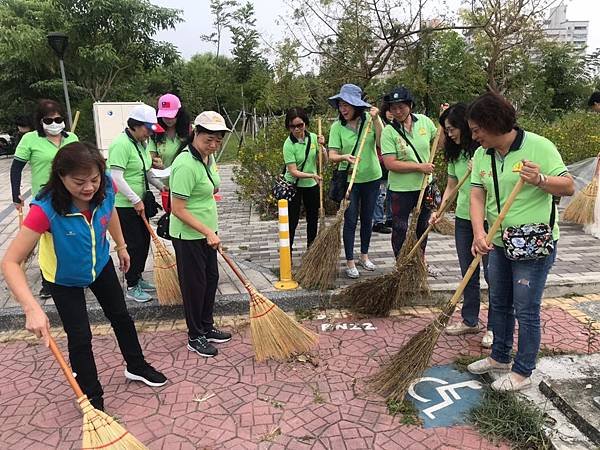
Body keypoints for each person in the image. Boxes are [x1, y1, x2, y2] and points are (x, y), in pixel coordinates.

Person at [1, 142, 167, 412]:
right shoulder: (45, 209)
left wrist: (121, 246)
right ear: (61, 177)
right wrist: (30, 308)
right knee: (80, 336)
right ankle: (92, 397)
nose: (88, 188)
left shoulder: (106, 188)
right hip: (63, 278)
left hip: (99, 265)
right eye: (79, 182)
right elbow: (10, 262)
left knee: (122, 317)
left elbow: (110, 210)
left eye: (94, 179)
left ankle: (136, 365)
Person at [466, 92, 574, 391]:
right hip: (497, 242)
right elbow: (477, 194)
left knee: (526, 307)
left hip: (532, 244)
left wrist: (540, 180)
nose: (474, 137)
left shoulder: (539, 146)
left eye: (477, 130)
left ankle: (523, 371)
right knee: (499, 302)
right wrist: (479, 233)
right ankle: (499, 356)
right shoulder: (482, 155)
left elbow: (568, 186)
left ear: (495, 123)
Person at [169, 111, 233, 358]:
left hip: (207, 233)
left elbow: (213, 185)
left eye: (218, 140)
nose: (213, 145)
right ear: (195, 133)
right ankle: (195, 336)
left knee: (210, 280)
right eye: (208, 139)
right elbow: (177, 209)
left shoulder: (208, 158)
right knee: (194, 286)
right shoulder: (185, 164)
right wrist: (207, 231)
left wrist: (210, 230)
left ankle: (206, 326)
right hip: (189, 236)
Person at [430, 103, 492, 347]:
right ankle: (470, 320)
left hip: (489, 221)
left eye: (451, 129)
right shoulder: (455, 154)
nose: (449, 134)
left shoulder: (485, 150)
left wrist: (478, 167)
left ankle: (496, 327)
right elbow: (451, 186)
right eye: (446, 130)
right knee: (469, 272)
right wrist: (440, 210)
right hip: (464, 220)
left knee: (493, 275)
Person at [10, 99, 79, 299]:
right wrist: (16, 194)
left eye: (58, 119)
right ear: (40, 121)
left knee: (71, 236)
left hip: (71, 195)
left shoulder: (71, 138)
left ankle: (74, 275)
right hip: (45, 199)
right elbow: (16, 169)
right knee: (48, 240)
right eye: (49, 120)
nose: (54, 124)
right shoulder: (30, 139)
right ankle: (48, 282)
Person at [107, 104, 166, 303]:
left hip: (139, 203)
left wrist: (160, 186)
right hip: (124, 206)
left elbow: (145, 170)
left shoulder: (141, 143)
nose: (149, 134)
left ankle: (138, 277)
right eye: (147, 129)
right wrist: (134, 199)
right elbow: (116, 177)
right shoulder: (121, 145)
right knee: (132, 244)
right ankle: (131, 285)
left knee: (144, 242)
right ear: (136, 125)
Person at [327, 84, 383, 279]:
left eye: (347, 104)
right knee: (350, 220)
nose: (343, 108)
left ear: (356, 105)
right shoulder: (337, 127)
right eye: (340, 104)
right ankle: (350, 261)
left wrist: (377, 119)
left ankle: (364, 256)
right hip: (350, 179)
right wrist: (344, 157)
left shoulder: (369, 121)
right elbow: (331, 155)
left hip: (372, 178)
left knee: (368, 219)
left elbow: (381, 143)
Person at [379, 87, 438, 269]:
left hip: (424, 187)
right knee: (400, 228)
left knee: (422, 227)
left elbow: (439, 142)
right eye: (393, 108)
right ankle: (401, 262)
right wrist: (419, 167)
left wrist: (445, 120)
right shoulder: (389, 132)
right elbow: (390, 163)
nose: (397, 111)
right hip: (400, 189)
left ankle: (420, 260)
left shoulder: (425, 122)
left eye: (401, 107)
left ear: (410, 105)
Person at [282, 107, 327, 249]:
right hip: (293, 185)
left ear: (305, 123)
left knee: (312, 219)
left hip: (311, 185)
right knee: (292, 221)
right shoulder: (288, 144)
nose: (296, 129)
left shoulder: (313, 137)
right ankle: (287, 253)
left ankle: (311, 249)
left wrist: (323, 148)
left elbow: (324, 161)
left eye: (299, 125)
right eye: (292, 126)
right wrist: (312, 175)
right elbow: (293, 171)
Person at [148, 93, 190, 170]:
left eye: (171, 116)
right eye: (165, 116)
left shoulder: (190, 132)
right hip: (162, 178)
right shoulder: (155, 134)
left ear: (179, 114)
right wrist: (155, 163)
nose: (168, 119)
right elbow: (151, 157)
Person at [372, 105, 393, 234]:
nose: (391, 113)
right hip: (381, 164)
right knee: (380, 195)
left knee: (391, 194)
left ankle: (390, 218)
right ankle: (378, 221)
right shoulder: (380, 124)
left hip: (393, 166)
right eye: (389, 111)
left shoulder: (397, 125)